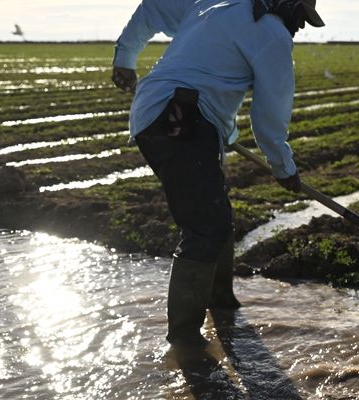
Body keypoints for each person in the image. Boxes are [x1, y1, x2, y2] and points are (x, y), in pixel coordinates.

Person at [111, 0, 325, 347]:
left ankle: (222, 304)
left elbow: (153, 8)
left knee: (216, 215)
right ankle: (185, 342)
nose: (300, 26)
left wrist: (124, 59)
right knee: (205, 227)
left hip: (160, 114)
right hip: (180, 121)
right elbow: (270, 115)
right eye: (301, 16)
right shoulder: (272, 35)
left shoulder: (211, 1)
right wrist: (283, 167)